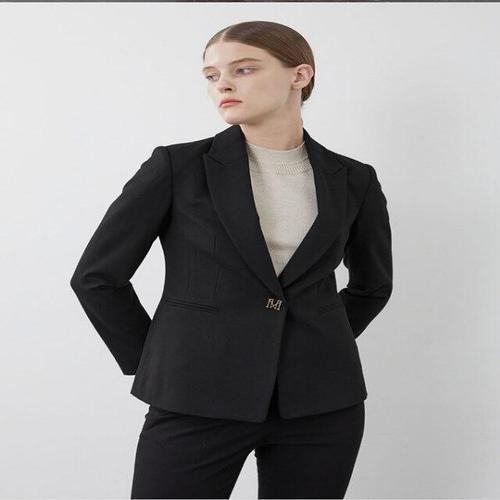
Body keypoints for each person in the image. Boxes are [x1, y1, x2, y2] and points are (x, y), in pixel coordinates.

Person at [70, 20, 393, 499]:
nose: (222, 84)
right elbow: (97, 278)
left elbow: (372, 286)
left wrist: (311, 342)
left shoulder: (353, 179)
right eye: (211, 74)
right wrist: (161, 361)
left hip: (320, 405)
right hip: (194, 397)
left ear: (299, 75)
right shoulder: (177, 167)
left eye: (243, 69)